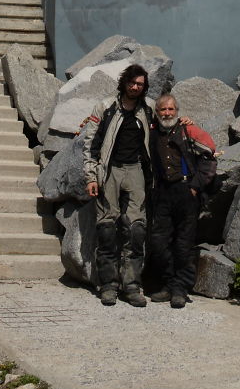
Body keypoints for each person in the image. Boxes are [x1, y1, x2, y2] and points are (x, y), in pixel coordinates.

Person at [83, 63, 154, 307]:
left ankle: (132, 286)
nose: (135, 87)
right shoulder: (106, 107)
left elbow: (169, 123)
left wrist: (187, 123)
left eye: (140, 84)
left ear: (144, 87)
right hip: (109, 171)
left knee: (136, 229)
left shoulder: (149, 109)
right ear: (124, 82)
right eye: (132, 82)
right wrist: (91, 177)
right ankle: (108, 285)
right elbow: (91, 143)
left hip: (136, 171)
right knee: (106, 228)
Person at [148, 93, 217, 309]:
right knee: (159, 242)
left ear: (177, 111)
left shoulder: (189, 130)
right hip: (162, 193)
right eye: (162, 110)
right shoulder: (152, 132)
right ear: (156, 112)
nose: (167, 113)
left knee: (183, 244)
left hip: (186, 192)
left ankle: (180, 289)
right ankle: (169, 284)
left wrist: (196, 187)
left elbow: (209, 155)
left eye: (170, 110)